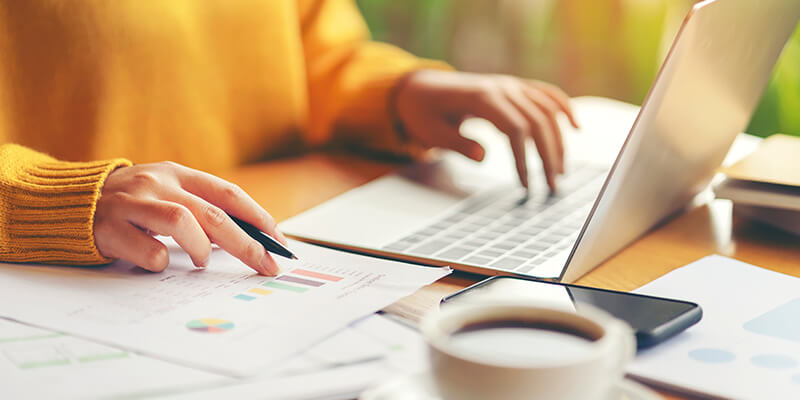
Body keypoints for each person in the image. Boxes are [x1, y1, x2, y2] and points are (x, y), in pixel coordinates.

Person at [0, 0, 577, 276]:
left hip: (276, 243)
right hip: (90, 280)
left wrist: (398, 92)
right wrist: (62, 196)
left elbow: (311, 48)